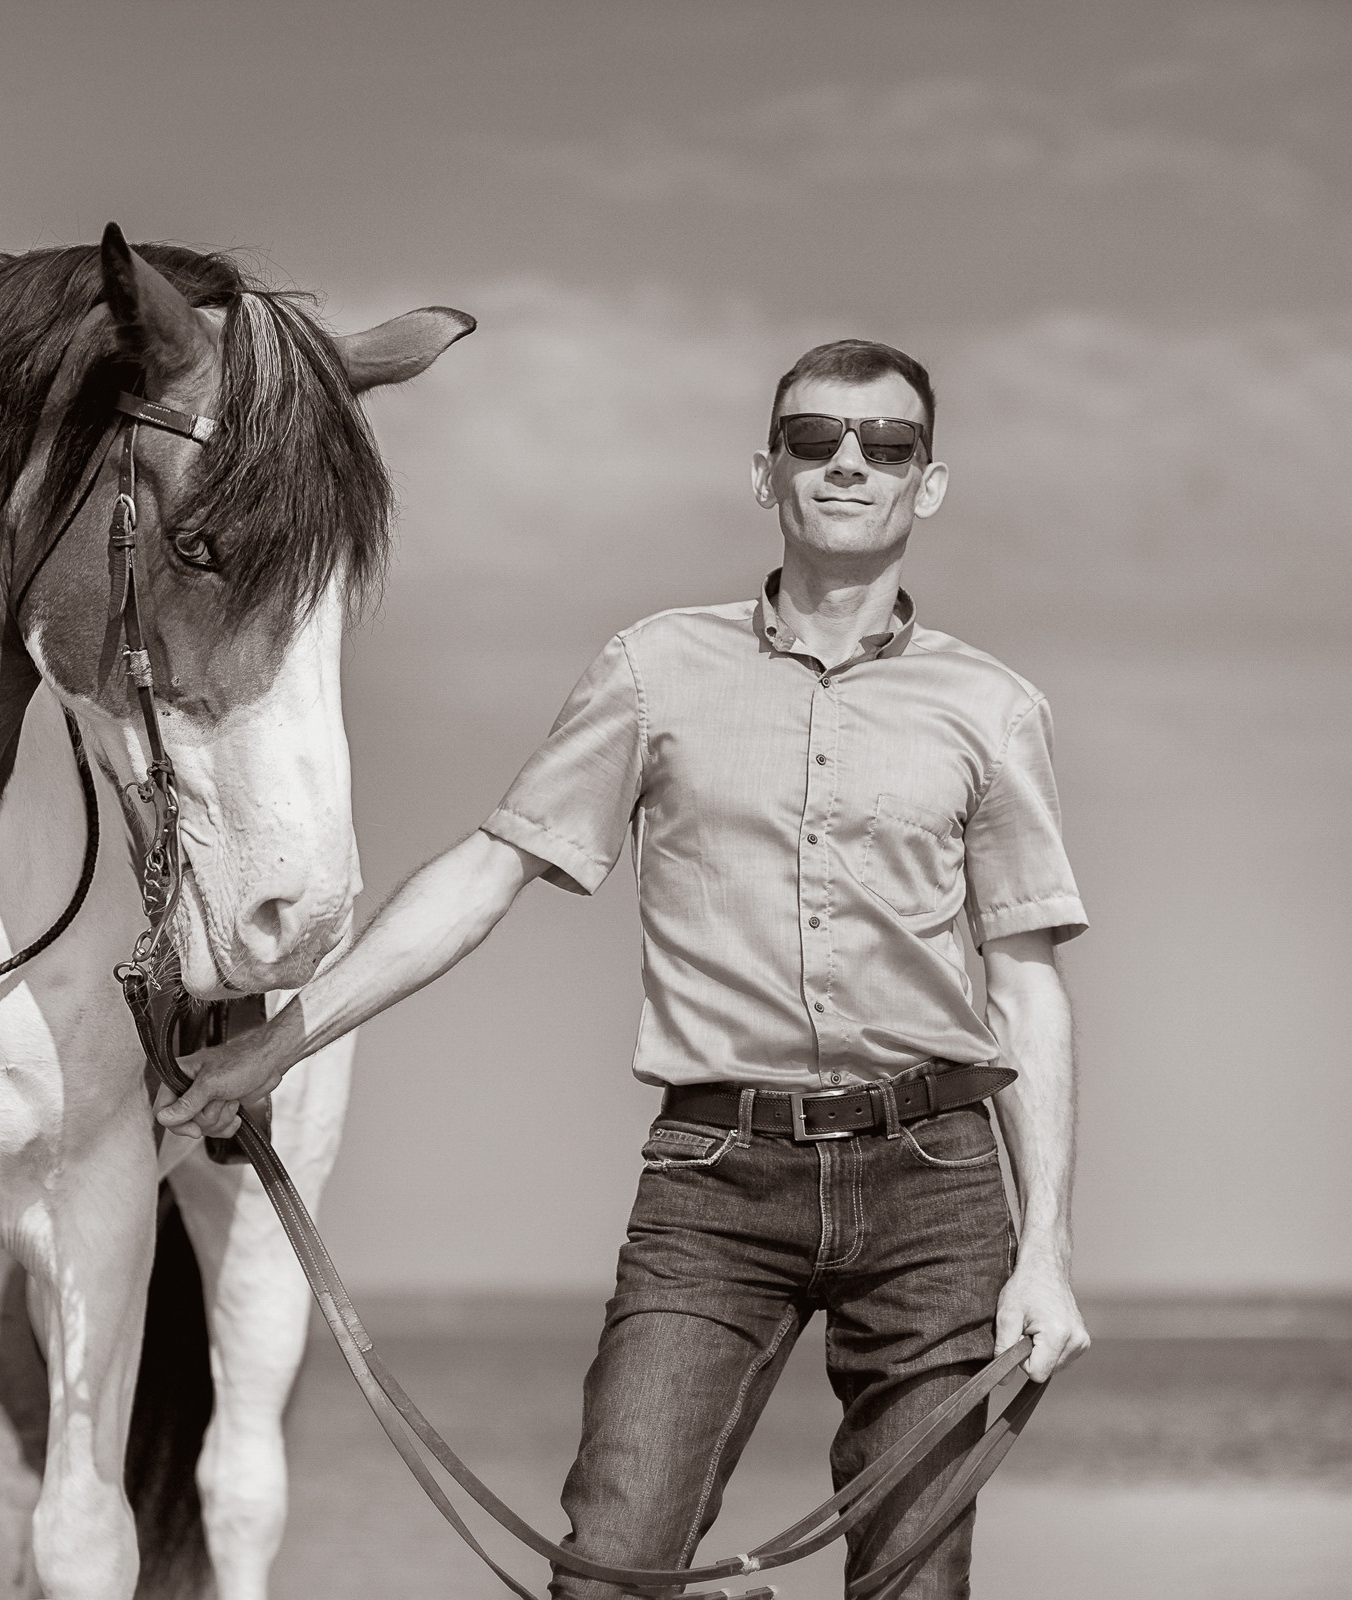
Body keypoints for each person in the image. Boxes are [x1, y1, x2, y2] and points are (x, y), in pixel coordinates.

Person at [156, 339, 1091, 1598]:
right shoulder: (654, 669)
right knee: (608, 1572)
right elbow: (489, 874)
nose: (849, 464)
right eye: (814, 440)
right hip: (717, 1180)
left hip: (936, 1186)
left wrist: (1048, 1252)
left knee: (916, 1583)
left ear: (929, 483)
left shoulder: (994, 708)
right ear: (766, 473)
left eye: (887, 445)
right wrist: (276, 1043)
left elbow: (1026, 979)